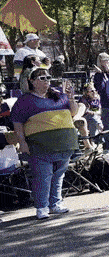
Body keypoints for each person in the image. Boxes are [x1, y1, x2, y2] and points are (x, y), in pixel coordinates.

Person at [11, 67, 79, 220]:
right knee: (43, 176)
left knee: (58, 176)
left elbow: (73, 112)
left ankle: (55, 204)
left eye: (48, 77)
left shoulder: (59, 96)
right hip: (40, 146)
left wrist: (71, 98)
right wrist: (22, 142)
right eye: (42, 78)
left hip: (65, 145)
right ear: (32, 81)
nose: (46, 80)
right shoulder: (25, 101)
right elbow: (17, 123)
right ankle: (42, 207)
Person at [92, 53, 109, 154]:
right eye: (103, 60)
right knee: (108, 128)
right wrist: (101, 74)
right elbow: (100, 89)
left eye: (107, 59)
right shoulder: (98, 76)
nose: (106, 62)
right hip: (107, 104)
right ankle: (106, 148)